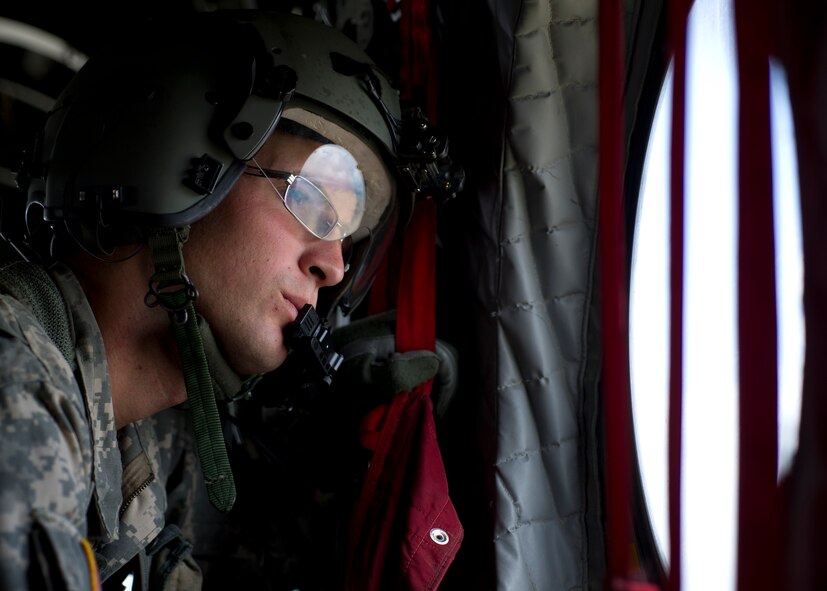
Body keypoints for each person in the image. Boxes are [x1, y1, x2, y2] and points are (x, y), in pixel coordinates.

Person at [0, 9, 437, 590]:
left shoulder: (149, 438)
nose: (332, 267)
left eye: (348, 239)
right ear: (168, 155)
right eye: (311, 202)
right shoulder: (15, 393)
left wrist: (351, 465)